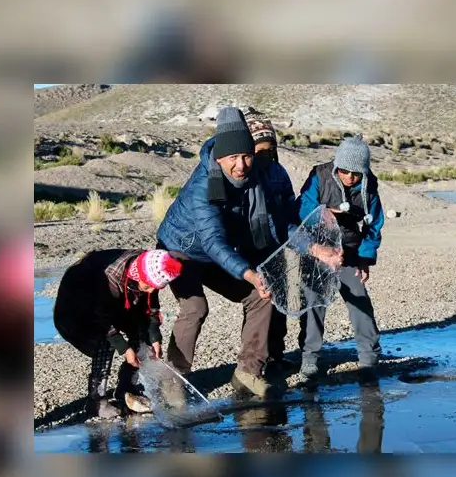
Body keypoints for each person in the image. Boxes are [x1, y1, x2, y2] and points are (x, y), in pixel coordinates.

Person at [156, 107, 342, 399]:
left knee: (261, 295)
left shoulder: (257, 177)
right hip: (182, 251)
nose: (241, 165)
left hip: (217, 252)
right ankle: (174, 380)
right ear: (220, 157)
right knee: (195, 308)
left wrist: (315, 248)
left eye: (246, 156)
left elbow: (276, 225)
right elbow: (213, 241)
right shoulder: (203, 186)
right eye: (233, 157)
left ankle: (247, 372)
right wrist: (248, 273)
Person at [53, 248, 184, 418]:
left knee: (143, 336)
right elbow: (101, 319)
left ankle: (127, 388)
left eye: (156, 287)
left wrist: (154, 337)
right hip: (78, 310)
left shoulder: (152, 268)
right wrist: (124, 348)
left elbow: (150, 308)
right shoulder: (109, 277)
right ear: (137, 275)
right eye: (148, 286)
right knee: (104, 343)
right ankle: (96, 401)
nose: (151, 291)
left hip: (117, 304)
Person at [296, 135, 385, 380]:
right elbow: (301, 208)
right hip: (318, 251)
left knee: (360, 301)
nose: (349, 177)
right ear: (337, 166)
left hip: (350, 252)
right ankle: (310, 359)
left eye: (356, 173)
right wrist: (323, 213)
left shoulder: (370, 186)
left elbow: (374, 225)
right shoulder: (319, 175)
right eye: (344, 171)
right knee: (314, 303)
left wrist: (365, 259)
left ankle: (369, 357)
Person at [245, 113, 296, 371]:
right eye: (259, 150)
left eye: (270, 149)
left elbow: (290, 207)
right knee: (259, 304)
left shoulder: (279, 173)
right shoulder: (244, 174)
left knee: (279, 303)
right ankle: (255, 360)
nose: (265, 154)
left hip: (279, 248)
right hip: (252, 249)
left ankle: (276, 354)